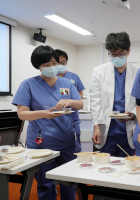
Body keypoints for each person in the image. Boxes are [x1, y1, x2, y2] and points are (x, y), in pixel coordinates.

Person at [12, 45, 83, 200]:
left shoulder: (67, 83)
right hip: (41, 145)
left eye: (54, 63)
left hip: (66, 142)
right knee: (45, 184)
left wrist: (69, 100)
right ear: (38, 67)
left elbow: (80, 104)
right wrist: (43, 114)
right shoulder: (28, 85)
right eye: (46, 65)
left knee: (68, 182)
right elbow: (22, 113)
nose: (51, 67)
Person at [90, 32, 138, 157]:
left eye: (121, 53)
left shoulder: (138, 73)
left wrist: (133, 114)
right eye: (113, 54)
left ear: (128, 51)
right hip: (106, 130)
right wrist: (96, 127)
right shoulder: (98, 71)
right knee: (104, 167)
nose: (117, 57)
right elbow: (95, 102)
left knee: (128, 168)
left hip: (129, 128)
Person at [55, 49, 85, 152]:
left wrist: (72, 99)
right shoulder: (51, 78)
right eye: (58, 63)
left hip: (72, 118)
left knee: (74, 149)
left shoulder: (73, 77)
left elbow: (80, 94)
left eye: (63, 63)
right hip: (55, 118)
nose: (61, 65)